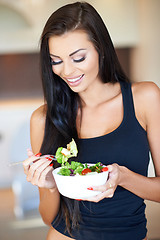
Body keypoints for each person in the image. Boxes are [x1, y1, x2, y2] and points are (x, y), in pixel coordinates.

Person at [23, 2, 160, 240]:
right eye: (56, 60)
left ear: (101, 49)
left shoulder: (145, 98)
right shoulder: (42, 119)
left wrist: (123, 177)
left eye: (78, 58)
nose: (67, 71)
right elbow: (48, 217)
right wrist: (50, 184)